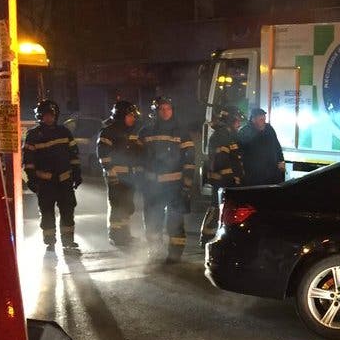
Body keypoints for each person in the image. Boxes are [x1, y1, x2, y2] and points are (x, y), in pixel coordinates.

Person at [139, 96, 195, 263]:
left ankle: (175, 254)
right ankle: (154, 251)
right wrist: (140, 182)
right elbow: (137, 159)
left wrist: (187, 183)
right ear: (155, 112)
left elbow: (190, 159)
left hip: (174, 186)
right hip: (152, 186)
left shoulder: (181, 132)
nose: (165, 112)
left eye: (168, 108)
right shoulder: (145, 132)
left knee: (175, 220)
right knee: (152, 220)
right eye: (162, 109)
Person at [22, 100, 81, 252]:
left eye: (51, 115)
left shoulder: (64, 132)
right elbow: (28, 160)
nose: (49, 118)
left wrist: (77, 173)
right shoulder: (33, 135)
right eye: (46, 116)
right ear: (40, 117)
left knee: (68, 210)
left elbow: (73, 154)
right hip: (45, 182)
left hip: (64, 180)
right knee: (47, 212)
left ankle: (68, 240)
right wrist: (32, 179)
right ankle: (50, 241)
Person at [96, 100, 144, 247]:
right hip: (115, 175)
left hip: (130, 176)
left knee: (128, 205)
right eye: (130, 116)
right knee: (117, 205)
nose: (133, 118)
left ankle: (125, 234)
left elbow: (138, 153)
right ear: (121, 115)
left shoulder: (133, 132)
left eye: (133, 116)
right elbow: (103, 154)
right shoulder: (108, 132)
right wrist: (110, 171)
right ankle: (116, 235)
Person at [200, 105, 244, 246]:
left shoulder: (228, 134)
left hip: (225, 180)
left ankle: (213, 237)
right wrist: (234, 177)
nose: (239, 124)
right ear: (231, 121)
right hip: (222, 180)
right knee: (216, 208)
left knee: (221, 208)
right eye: (237, 121)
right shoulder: (222, 136)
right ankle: (207, 238)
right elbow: (221, 161)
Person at [237, 108, 285, 186]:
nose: (263, 122)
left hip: (272, 173)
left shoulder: (269, 129)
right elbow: (240, 153)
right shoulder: (244, 132)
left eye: (264, 119)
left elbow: (277, 146)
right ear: (253, 119)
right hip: (254, 175)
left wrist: (281, 160)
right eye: (261, 119)